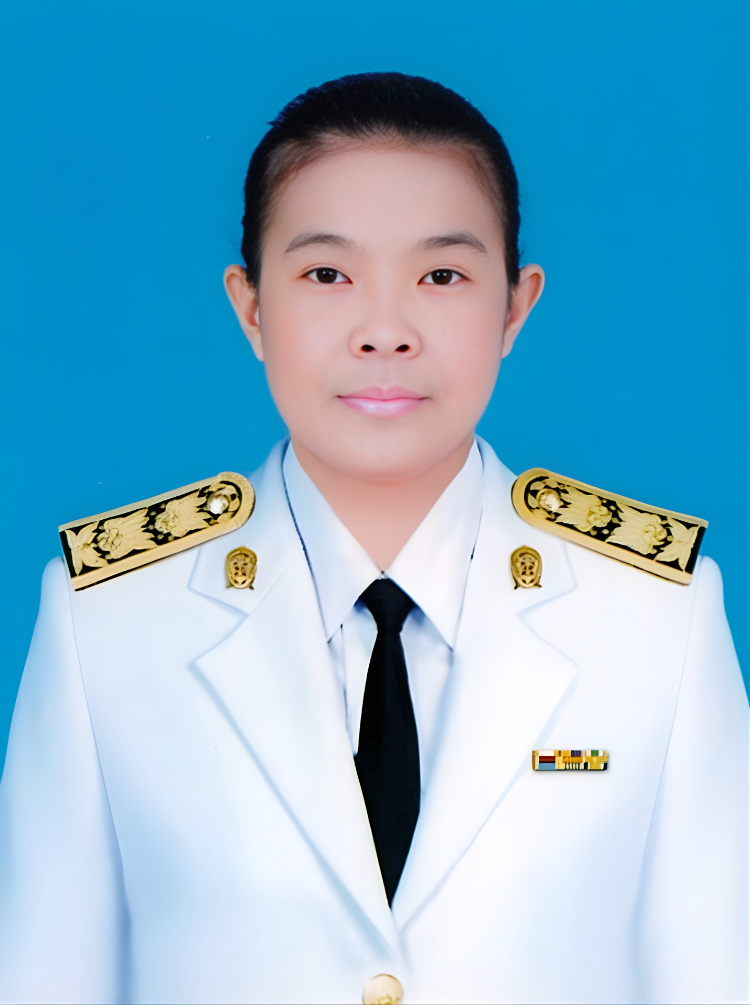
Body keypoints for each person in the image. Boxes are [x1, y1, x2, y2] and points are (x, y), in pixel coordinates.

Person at [0, 72, 746, 1005]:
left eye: (442, 276)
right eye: (326, 274)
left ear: (515, 307)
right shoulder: (110, 618)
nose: (385, 332)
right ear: (251, 306)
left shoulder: (657, 616)